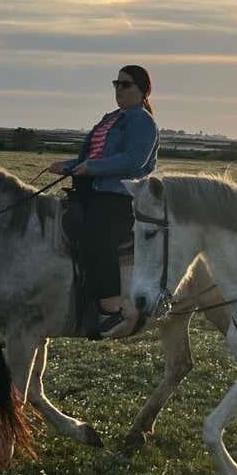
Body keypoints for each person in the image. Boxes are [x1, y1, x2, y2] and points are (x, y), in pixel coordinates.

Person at [47, 65, 159, 338]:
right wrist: (69, 165)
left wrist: (90, 169)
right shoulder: (111, 118)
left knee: (97, 236)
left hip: (118, 196)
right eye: (116, 84)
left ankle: (110, 310)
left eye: (126, 84)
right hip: (89, 191)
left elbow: (134, 161)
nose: (119, 90)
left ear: (143, 90)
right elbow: (93, 157)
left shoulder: (142, 121)